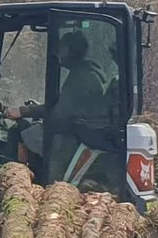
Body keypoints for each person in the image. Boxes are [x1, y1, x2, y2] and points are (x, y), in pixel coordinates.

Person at [48, 26, 118, 185]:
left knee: (28, 135)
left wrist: (27, 112)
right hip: (82, 126)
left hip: (78, 133)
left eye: (61, 49)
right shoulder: (85, 73)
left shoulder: (82, 79)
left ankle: (40, 186)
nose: (57, 53)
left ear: (71, 51)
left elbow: (60, 113)